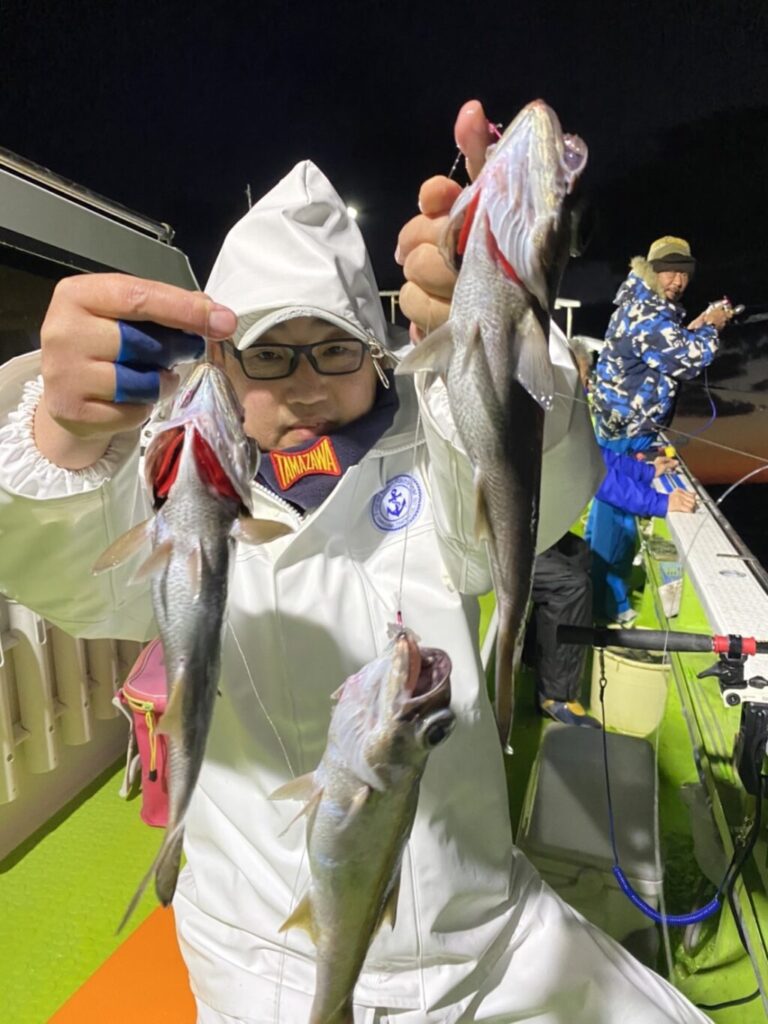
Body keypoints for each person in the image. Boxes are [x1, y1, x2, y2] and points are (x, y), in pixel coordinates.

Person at [0, 102, 712, 1022]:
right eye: (270, 353)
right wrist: (60, 439)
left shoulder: (433, 436)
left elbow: (534, 494)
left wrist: (502, 331)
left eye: (333, 348)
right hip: (255, 956)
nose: (304, 385)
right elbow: (75, 584)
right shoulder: (179, 472)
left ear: (378, 353)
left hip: (478, 938)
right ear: (220, 359)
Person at [586, 235, 732, 623]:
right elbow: (690, 359)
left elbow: (670, 344)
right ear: (651, 271)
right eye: (669, 271)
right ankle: (606, 604)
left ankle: (596, 585)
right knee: (618, 514)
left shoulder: (643, 304)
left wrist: (696, 324)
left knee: (608, 509)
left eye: (684, 273)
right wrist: (713, 328)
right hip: (627, 428)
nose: (678, 281)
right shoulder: (646, 313)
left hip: (624, 425)